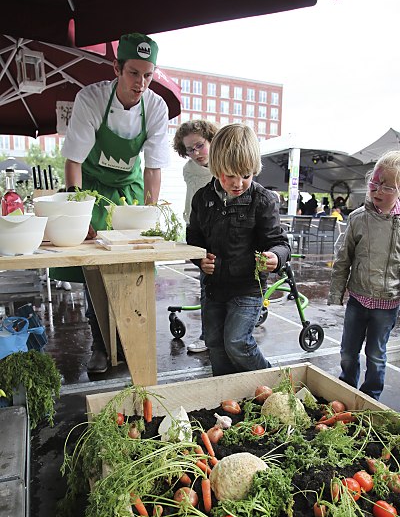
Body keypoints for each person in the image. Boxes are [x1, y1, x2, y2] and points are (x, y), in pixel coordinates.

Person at [58, 32, 169, 373]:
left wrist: (148, 214)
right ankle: (101, 343)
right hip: (90, 187)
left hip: (128, 189)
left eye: (148, 75)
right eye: (134, 73)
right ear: (117, 68)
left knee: (131, 266)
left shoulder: (156, 108)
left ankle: (128, 340)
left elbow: (153, 168)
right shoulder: (90, 98)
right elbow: (73, 160)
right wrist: (79, 212)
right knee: (95, 267)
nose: (141, 83)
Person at [186, 124, 291, 376]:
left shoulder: (263, 200)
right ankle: (227, 396)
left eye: (245, 175)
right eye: (229, 175)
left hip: (247, 288)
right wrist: (200, 260)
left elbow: (280, 242)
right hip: (212, 288)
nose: (238, 183)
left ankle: (275, 385)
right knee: (215, 344)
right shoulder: (202, 198)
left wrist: (276, 256)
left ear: (254, 169)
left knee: (236, 342)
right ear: (216, 168)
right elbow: (193, 239)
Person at [328, 150, 400, 401]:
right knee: (348, 351)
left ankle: (370, 400)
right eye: (374, 183)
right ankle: (345, 392)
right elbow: (343, 258)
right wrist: (336, 294)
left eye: (386, 187)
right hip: (358, 300)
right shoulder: (358, 218)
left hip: (387, 303)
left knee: (376, 355)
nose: (377, 190)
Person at [173, 120, 218, 353]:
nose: (196, 153)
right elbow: (191, 201)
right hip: (200, 230)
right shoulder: (188, 169)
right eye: (189, 149)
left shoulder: (224, 164)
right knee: (207, 284)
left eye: (200, 145)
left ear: (211, 139)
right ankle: (207, 336)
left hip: (224, 229)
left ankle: (225, 333)